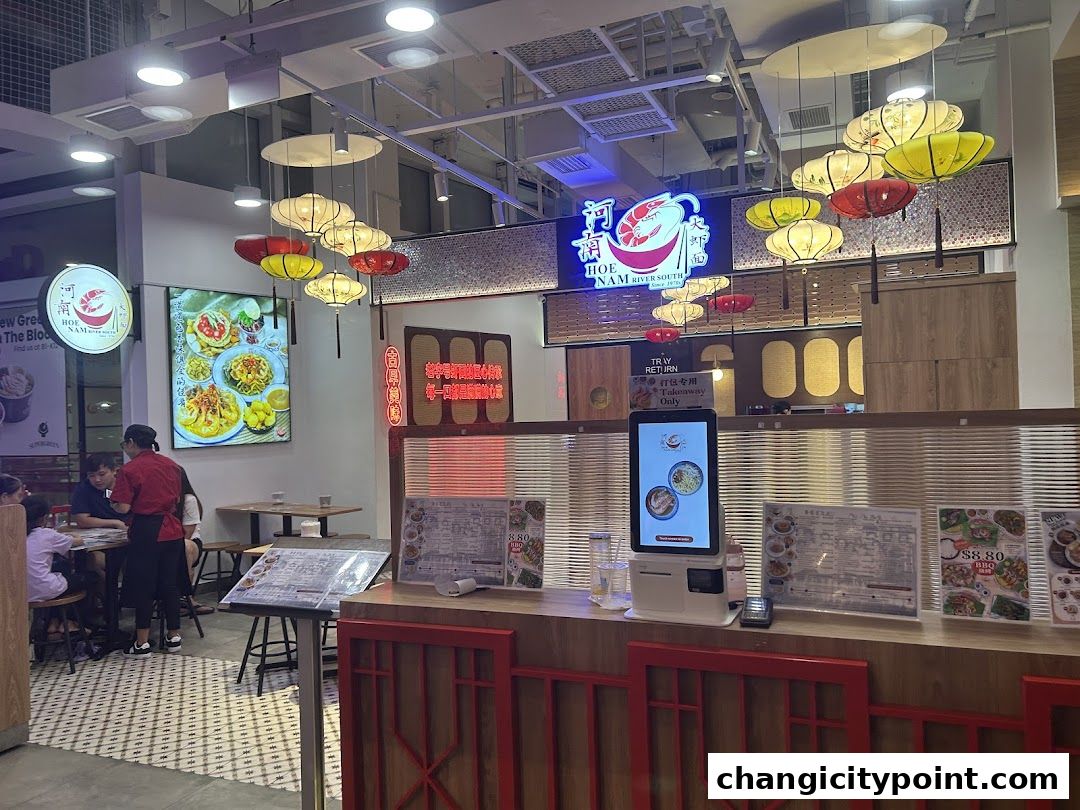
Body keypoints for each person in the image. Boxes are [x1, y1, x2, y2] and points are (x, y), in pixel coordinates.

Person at [109, 424, 185, 659]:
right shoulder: (172, 465)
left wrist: (112, 501)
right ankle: (174, 637)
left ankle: (141, 643)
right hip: (173, 529)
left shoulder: (130, 470)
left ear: (131, 442)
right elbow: (178, 498)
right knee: (169, 584)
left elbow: (123, 507)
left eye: (125, 445)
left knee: (144, 585)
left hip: (147, 530)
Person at [24, 496, 93, 636]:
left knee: (60, 567)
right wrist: (71, 533)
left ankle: (53, 621)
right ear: (44, 518)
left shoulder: (14, 534)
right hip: (44, 589)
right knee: (90, 578)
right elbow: (78, 542)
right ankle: (71, 622)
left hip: (23, 593)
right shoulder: (46, 534)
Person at [178, 467, 213, 615]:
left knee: (182, 549)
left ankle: (186, 597)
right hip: (168, 543)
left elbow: (188, 532)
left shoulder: (188, 499)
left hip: (190, 542)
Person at [71, 454, 127, 530]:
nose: (97, 480)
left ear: (114, 471)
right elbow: (82, 520)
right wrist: (115, 523)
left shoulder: (126, 485)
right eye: (91, 475)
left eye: (102, 474)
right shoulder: (83, 489)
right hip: (98, 533)